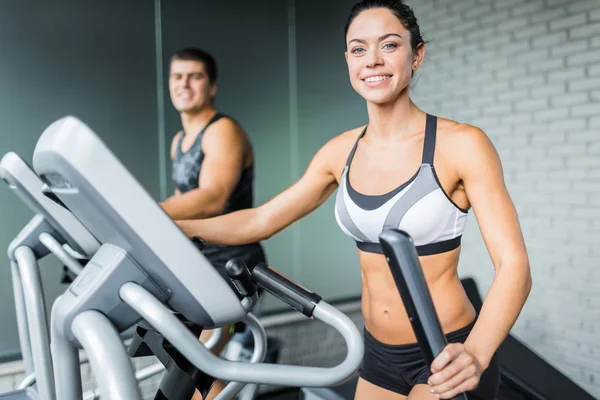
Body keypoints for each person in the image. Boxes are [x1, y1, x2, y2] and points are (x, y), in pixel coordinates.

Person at [176, 1, 532, 399]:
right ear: (348, 60)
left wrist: (477, 354)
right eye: (359, 49)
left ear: (417, 55)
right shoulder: (339, 152)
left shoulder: (461, 145)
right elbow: (259, 221)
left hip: (448, 351)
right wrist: (167, 225)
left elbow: (513, 265)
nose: (373, 61)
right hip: (378, 356)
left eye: (390, 45)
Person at [158, 47, 267, 400]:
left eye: (195, 76)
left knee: (196, 363)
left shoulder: (222, 130)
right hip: (202, 262)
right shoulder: (179, 141)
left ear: (212, 86)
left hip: (235, 264)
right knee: (190, 364)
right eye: (177, 76)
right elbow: (183, 207)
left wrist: (145, 210)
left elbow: (212, 197)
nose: (184, 84)